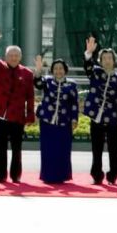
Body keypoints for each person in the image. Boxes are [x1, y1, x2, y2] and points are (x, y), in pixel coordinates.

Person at [0, 27, 35, 183]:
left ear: (20, 57)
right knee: (1, 147)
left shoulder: (27, 73)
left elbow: (30, 97)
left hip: (17, 116)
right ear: (6, 56)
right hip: (0, 114)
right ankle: (1, 175)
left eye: (16, 55)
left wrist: (30, 116)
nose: (13, 58)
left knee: (17, 148)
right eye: (11, 55)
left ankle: (15, 175)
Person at [82, 36, 117, 185]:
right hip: (96, 117)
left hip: (113, 118)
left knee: (114, 149)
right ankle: (97, 176)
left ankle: (113, 175)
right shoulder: (95, 72)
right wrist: (88, 53)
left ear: (114, 60)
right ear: (100, 60)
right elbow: (88, 67)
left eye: (110, 58)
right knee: (96, 149)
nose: (107, 60)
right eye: (104, 58)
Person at [33, 56, 78, 184]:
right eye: (56, 68)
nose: (58, 71)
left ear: (65, 70)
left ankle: (62, 176)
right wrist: (38, 70)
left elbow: (74, 104)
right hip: (47, 121)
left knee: (63, 149)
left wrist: (74, 119)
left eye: (61, 68)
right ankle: (48, 176)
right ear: (52, 70)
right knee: (47, 149)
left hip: (64, 122)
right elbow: (37, 84)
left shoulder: (72, 84)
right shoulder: (47, 81)